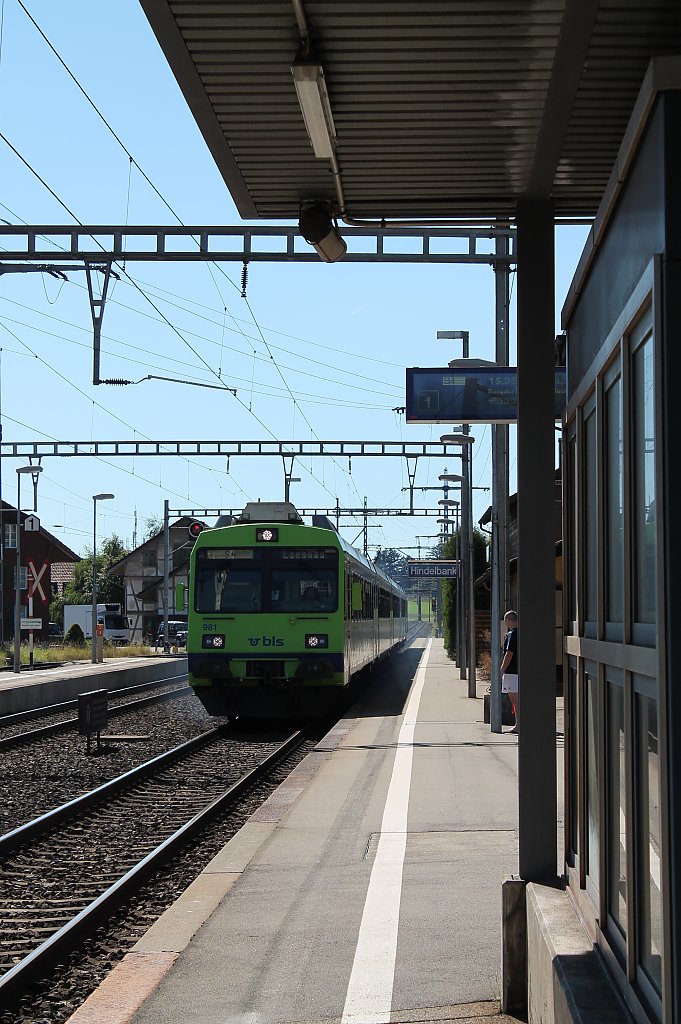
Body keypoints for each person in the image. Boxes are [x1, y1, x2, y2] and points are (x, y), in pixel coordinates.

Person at [500, 610, 519, 734]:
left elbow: (509, 653)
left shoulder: (512, 634)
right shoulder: (520, 632)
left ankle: (519, 725)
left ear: (507, 621)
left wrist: (502, 669)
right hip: (519, 670)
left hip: (512, 671)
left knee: (515, 699)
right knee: (517, 698)